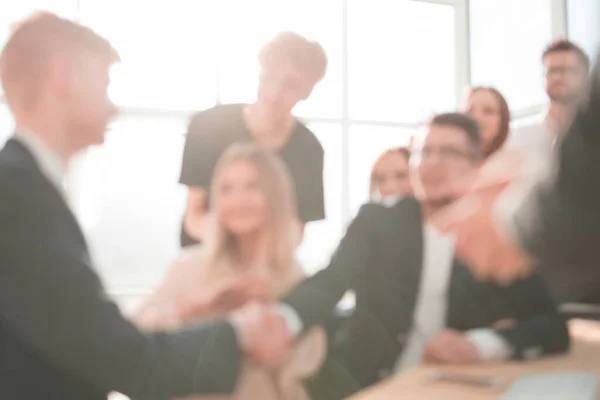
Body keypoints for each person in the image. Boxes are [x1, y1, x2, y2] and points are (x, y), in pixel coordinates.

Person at [0, 13, 290, 400]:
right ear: (62, 76)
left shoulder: (25, 188)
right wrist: (238, 331)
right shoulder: (18, 194)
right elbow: (119, 358)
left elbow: (84, 339)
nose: (113, 107)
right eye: (104, 85)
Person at [281, 114, 569, 397]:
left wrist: (480, 343)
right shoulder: (377, 220)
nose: (432, 162)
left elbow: (551, 324)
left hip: (451, 389)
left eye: (449, 152)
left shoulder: (492, 236)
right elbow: (332, 280)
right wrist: (282, 318)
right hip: (369, 386)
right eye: (424, 152)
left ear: (475, 165)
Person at [136, 143, 326, 400]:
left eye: (252, 187)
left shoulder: (294, 277)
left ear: (275, 196)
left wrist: (270, 335)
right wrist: (190, 307)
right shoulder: (189, 267)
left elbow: (305, 374)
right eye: (227, 189)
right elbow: (133, 344)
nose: (238, 201)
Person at [432, 47, 600, 288]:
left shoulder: (527, 158)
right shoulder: (520, 141)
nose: (559, 77)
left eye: (568, 70)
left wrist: (508, 222)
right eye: (552, 71)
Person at [179, 31, 327, 248]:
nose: (274, 92)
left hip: (268, 269)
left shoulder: (309, 149)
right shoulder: (208, 125)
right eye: (268, 78)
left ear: (308, 90)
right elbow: (194, 215)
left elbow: (296, 229)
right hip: (204, 256)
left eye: (290, 84)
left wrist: (263, 263)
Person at [462, 86, 510, 160]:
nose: (476, 117)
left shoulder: (511, 163)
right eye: (470, 111)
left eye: (488, 111)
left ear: (502, 121)